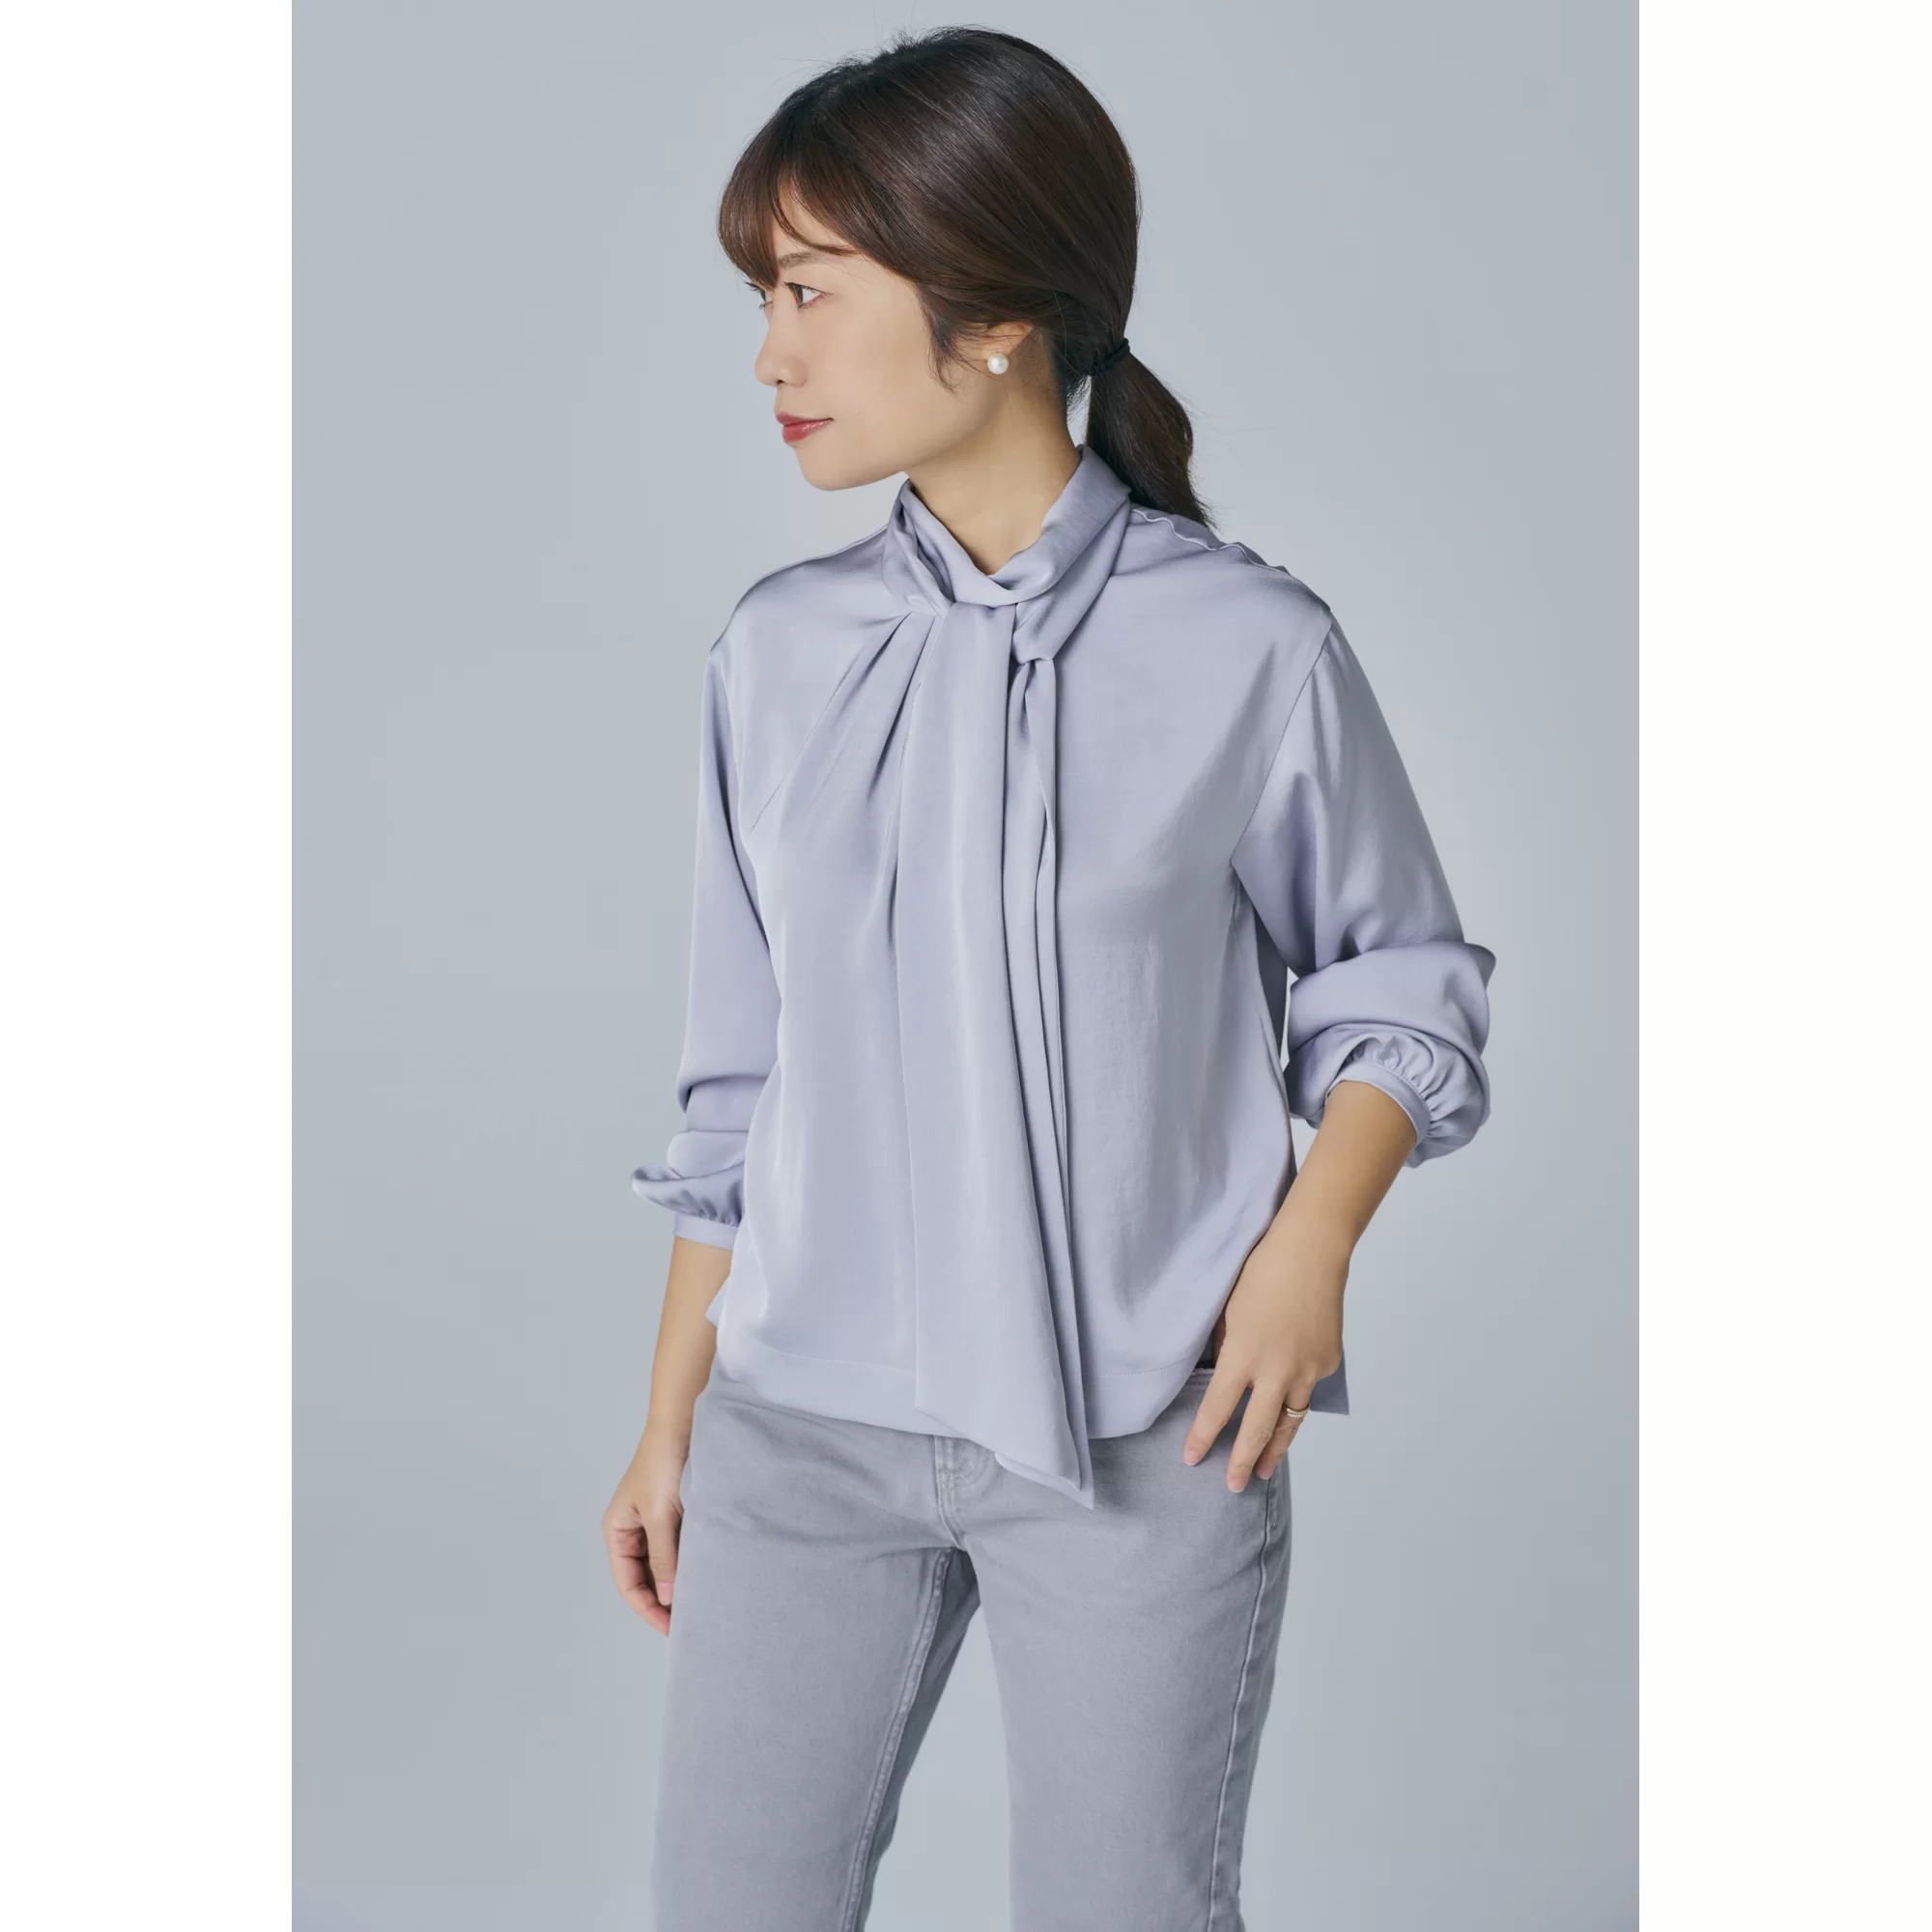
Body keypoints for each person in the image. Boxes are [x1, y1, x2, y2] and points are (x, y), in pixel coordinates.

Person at [602, 26, 1495, 1931]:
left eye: (811, 293)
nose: (769, 356)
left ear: (997, 314)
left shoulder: (1248, 647)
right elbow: (739, 1087)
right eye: (766, 298)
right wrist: (671, 1416)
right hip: (798, 1431)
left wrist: (1309, 1250)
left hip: (1148, 1431)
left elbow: (1400, 977)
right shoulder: (776, 655)